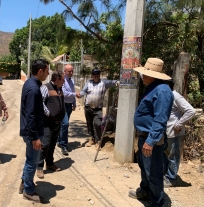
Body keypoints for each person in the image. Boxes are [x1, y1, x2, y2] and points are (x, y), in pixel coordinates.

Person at [128, 58, 174, 207]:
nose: (142, 76)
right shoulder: (152, 87)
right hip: (144, 136)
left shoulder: (162, 90)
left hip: (152, 139)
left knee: (153, 172)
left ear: (153, 75)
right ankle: (146, 191)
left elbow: (160, 119)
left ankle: (157, 202)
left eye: (145, 74)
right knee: (144, 167)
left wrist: (151, 141)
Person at [19, 59, 49, 203]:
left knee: (30, 159)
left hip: (31, 131)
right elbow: (30, 114)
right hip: (33, 133)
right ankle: (28, 190)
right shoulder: (34, 89)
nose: (48, 74)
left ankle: (24, 182)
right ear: (40, 71)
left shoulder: (30, 83)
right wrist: (35, 137)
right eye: (47, 71)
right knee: (32, 160)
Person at [164, 80, 195, 187]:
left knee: (173, 156)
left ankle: (172, 179)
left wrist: (178, 124)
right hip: (166, 131)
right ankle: (167, 175)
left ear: (167, 86)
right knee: (167, 154)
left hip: (174, 132)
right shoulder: (165, 96)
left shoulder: (175, 95)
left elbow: (191, 111)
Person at [77, 68, 119, 149]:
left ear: (99, 75)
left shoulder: (103, 83)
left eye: (97, 74)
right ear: (92, 76)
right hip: (88, 107)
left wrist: (117, 82)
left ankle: (98, 141)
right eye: (94, 74)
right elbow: (83, 91)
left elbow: (112, 82)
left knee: (97, 123)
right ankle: (91, 139)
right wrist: (80, 95)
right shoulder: (88, 83)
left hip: (98, 109)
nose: (96, 75)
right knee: (89, 124)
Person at [36, 70, 65, 179]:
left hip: (57, 122)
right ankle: (39, 167)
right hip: (47, 122)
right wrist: (49, 113)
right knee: (45, 144)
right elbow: (40, 102)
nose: (64, 81)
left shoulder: (60, 89)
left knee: (52, 144)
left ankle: (49, 163)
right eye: (63, 79)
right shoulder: (45, 88)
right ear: (57, 79)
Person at [57, 64, 76, 156]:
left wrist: (74, 103)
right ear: (65, 71)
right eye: (69, 71)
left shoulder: (72, 80)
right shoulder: (62, 81)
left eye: (72, 71)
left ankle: (59, 140)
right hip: (63, 105)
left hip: (69, 106)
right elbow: (64, 93)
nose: (71, 73)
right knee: (65, 124)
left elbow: (72, 91)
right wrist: (75, 94)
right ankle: (64, 145)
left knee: (63, 124)